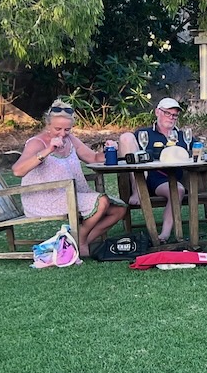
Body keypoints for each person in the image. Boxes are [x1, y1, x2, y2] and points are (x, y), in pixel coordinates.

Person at [13, 99, 126, 257]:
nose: (62, 133)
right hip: (44, 197)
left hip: (70, 193)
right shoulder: (37, 143)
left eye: (67, 129)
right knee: (102, 201)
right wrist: (48, 150)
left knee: (119, 210)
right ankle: (80, 242)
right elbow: (18, 171)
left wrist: (110, 150)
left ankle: (77, 242)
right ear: (47, 124)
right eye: (57, 129)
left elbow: (93, 158)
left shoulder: (70, 139)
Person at [117, 97, 188, 244]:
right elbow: (127, 151)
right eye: (167, 113)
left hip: (169, 179)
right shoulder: (144, 134)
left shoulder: (182, 136)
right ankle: (137, 190)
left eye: (174, 115)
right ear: (157, 112)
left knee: (178, 190)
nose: (171, 117)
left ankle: (164, 235)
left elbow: (198, 152)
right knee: (126, 138)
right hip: (148, 176)